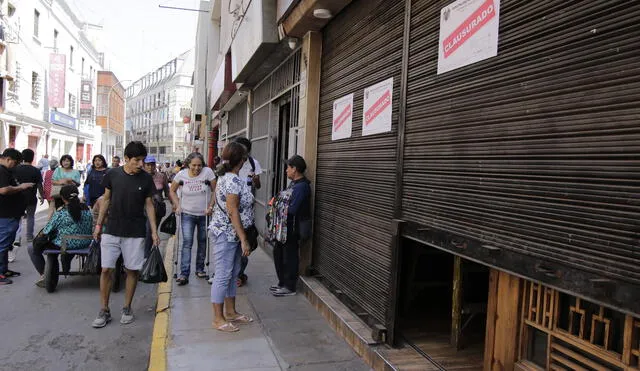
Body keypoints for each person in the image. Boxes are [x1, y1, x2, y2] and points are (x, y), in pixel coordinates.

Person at [92, 141, 159, 328]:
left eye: (142, 160)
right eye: (136, 160)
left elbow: (149, 205)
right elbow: (106, 200)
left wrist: (154, 231)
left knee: (132, 270)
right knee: (106, 269)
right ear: (126, 159)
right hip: (111, 230)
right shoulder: (112, 174)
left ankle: (127, 307)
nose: (140, 164)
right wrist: (98, 226)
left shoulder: (146, 179)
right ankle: (104, 310)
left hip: (135, 232)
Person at [209, 142, 254, 332]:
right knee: (223, 275)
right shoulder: (232, 181)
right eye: (245, 158)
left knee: (233, 273)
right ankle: (218, 319)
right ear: (241, 161)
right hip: (227, 234)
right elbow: (232, 210)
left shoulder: (226, 177)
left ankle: (231, 312)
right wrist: (244, 238)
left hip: (231, 234)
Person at [28, 185, 92, 287]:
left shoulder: (61, 213)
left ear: (62, 198)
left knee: (31, 247)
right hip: (85, 242)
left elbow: (46, 231)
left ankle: (45, 275)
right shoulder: (87, 211)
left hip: (65, 244)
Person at [169, 152, 216, 285]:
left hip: (204, 214)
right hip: (187, 213)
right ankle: (184, 273)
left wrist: (211, 206)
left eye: (199, 165)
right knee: (187, 242)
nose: (197, 168)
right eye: (194, 165)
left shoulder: (208, 172)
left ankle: (200, 269)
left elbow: (215, 191)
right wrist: (177, 205)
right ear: (188, 164)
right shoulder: (181, 175)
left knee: (202, 241)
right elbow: (172, 191)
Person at [271, 155, 311, 297]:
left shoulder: (302, 187)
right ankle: (282, 283)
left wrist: (278, 205)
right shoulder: (293, 184)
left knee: (289, 256)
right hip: (282, 228)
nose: (286, 170)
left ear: (295, 169)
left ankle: (289, 286)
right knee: (279, 255)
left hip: (291, 229)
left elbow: (292, 209)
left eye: (288, 167)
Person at [0, 149, 34, 285]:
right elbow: (3, 190)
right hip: (5, 214)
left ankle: (4, 270)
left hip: (12, 213)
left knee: (7, 243)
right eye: (15, 163)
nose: (16, 165)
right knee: (2, 244)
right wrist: (21, 187)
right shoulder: (1, 171)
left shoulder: (7, 171)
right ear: (8, 159)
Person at [233, 137, 263, 286]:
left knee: (244, 243)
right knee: (231, 243)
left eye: (244, 151)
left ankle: (239, 274)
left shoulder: (253, 163)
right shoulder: (229, 163)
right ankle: (231, 272)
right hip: (231, 210)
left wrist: (256, 179)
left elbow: (258, 186)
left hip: (246, 212)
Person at [10, 149, 44, 261]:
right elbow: (39, 185)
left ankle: (16, 237)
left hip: (17, 196)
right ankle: (29, 236)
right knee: (30, 217)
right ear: (32, 158)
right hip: (31, 197)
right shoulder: (35, 170)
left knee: (17, 217)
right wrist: (42, 196)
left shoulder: (15, 169)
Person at [143, 155, 171, 258]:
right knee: (145, 232)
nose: (150, 167)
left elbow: (167, 191)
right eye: (148, 165)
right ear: (144, 165)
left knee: (150, 231)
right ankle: (144, 255)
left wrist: (174, 205)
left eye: (152, 165)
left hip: (157, 209)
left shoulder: (161, 176)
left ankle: (147, 256)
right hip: (142, 209)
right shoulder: (140, 177)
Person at [50, 154, 81, 218]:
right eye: (64, 161)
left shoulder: (75, 172)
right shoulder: (58, 170)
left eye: (67, 161)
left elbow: (78, 184)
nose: (65, 163)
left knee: (71, 212)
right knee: (60, 212)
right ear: (61, 162)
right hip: (59, 194)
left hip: (71, 196)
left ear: (71, 162)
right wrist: (61, 182)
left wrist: (72, 180)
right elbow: (53, 181)